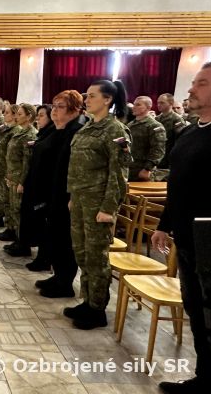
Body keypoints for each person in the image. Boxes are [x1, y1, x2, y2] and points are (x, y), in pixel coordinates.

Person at [153, 62, 211, 394]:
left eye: (202, 83)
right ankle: (204, 377)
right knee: (196, 311)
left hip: (210, 240)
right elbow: (176, 184)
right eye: (194, 82)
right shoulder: (190, 132)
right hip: (188, 239)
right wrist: (164, 224)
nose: (191, 89)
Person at [65, 79, 131, 330]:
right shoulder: (88, 128)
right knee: (82, 252)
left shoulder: (115, 130)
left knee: (96, 257)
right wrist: (73, 196)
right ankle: (87, 300)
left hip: (98, 205)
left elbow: (119, 174)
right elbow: (78, 168)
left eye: (92, 96)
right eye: (87, 95)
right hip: (81, 200)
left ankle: (97, 309)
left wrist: (108, 209)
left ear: (107, 99)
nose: (87, 100)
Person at [35, 91, 85, 297]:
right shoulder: (59, 130)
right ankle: (58, 276)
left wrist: (72, 195)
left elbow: (77, 169)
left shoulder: (76, 132)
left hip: (66, 195)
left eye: (60, 107)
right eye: (54, 107)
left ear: (74, 110)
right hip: (54, 192)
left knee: (64, 240)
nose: (54, 111)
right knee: (54, 236)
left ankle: (65, 283)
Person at [15, 104, 55, 267]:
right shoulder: (42, 134)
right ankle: (36, 253)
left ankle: (44, 258)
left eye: (42, 115)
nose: (38, 118)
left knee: (43, 223)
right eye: (38, 115)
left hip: (44, 187)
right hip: (35, 183)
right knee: (34, 219)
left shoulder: (53, 134)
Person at [4, 103, 38, 256]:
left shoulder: (30, 135)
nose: (16, 116)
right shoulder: (20, 132)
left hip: (20, 179)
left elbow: (27, 162)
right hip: (13, 176)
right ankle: (18, 240)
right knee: (14, 209)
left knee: (19, 212)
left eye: (20, 114)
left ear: (29, 116)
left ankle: (24, 244)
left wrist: (22, 182)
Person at [0, 104, 21, 241]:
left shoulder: (16, 131)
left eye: (8, 112)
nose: (4, 114)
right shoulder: (7, 129)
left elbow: (14, 155)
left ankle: (13, 229)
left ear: (15, 115)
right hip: (1, 170)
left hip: (8, 172)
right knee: (5, 200)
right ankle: (9, 227)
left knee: (10, 203)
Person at [127, 96, 166, 181]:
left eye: (138, 105)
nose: (134, 107)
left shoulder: (154, 126)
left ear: (148, 107)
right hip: (129, 168)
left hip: (142, 170)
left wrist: (147, 169)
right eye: (134, 104)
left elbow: (158, 150)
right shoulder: (130, 124)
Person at [156, 93, 185, 169]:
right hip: (157, 156)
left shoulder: (177, 119)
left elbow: (180, 140)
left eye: (162, 103)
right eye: (158, 103)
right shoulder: (157, 119)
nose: (159, 105)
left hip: (168, 157)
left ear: (171, 104)